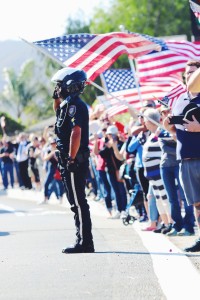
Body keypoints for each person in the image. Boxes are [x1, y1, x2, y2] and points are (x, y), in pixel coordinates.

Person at [51, 67, 94, 254]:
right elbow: (58, 116)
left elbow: (76, 133)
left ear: (69, 86)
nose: (57, 88)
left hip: (74, 160)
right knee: (73, 202)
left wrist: (71, 157)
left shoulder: (77, 106)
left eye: (59, 85)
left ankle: (85, 242)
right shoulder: (66, 105)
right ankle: (81, 238)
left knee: (78, 201)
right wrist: (56, 98)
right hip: (68, 160)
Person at [164, 60, 200, 252]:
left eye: (194, 72)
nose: (190, 76)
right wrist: (167, 124)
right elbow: (174, 129)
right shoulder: (180, 100)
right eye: (187, 73)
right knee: (196, 203)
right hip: (185, 158)